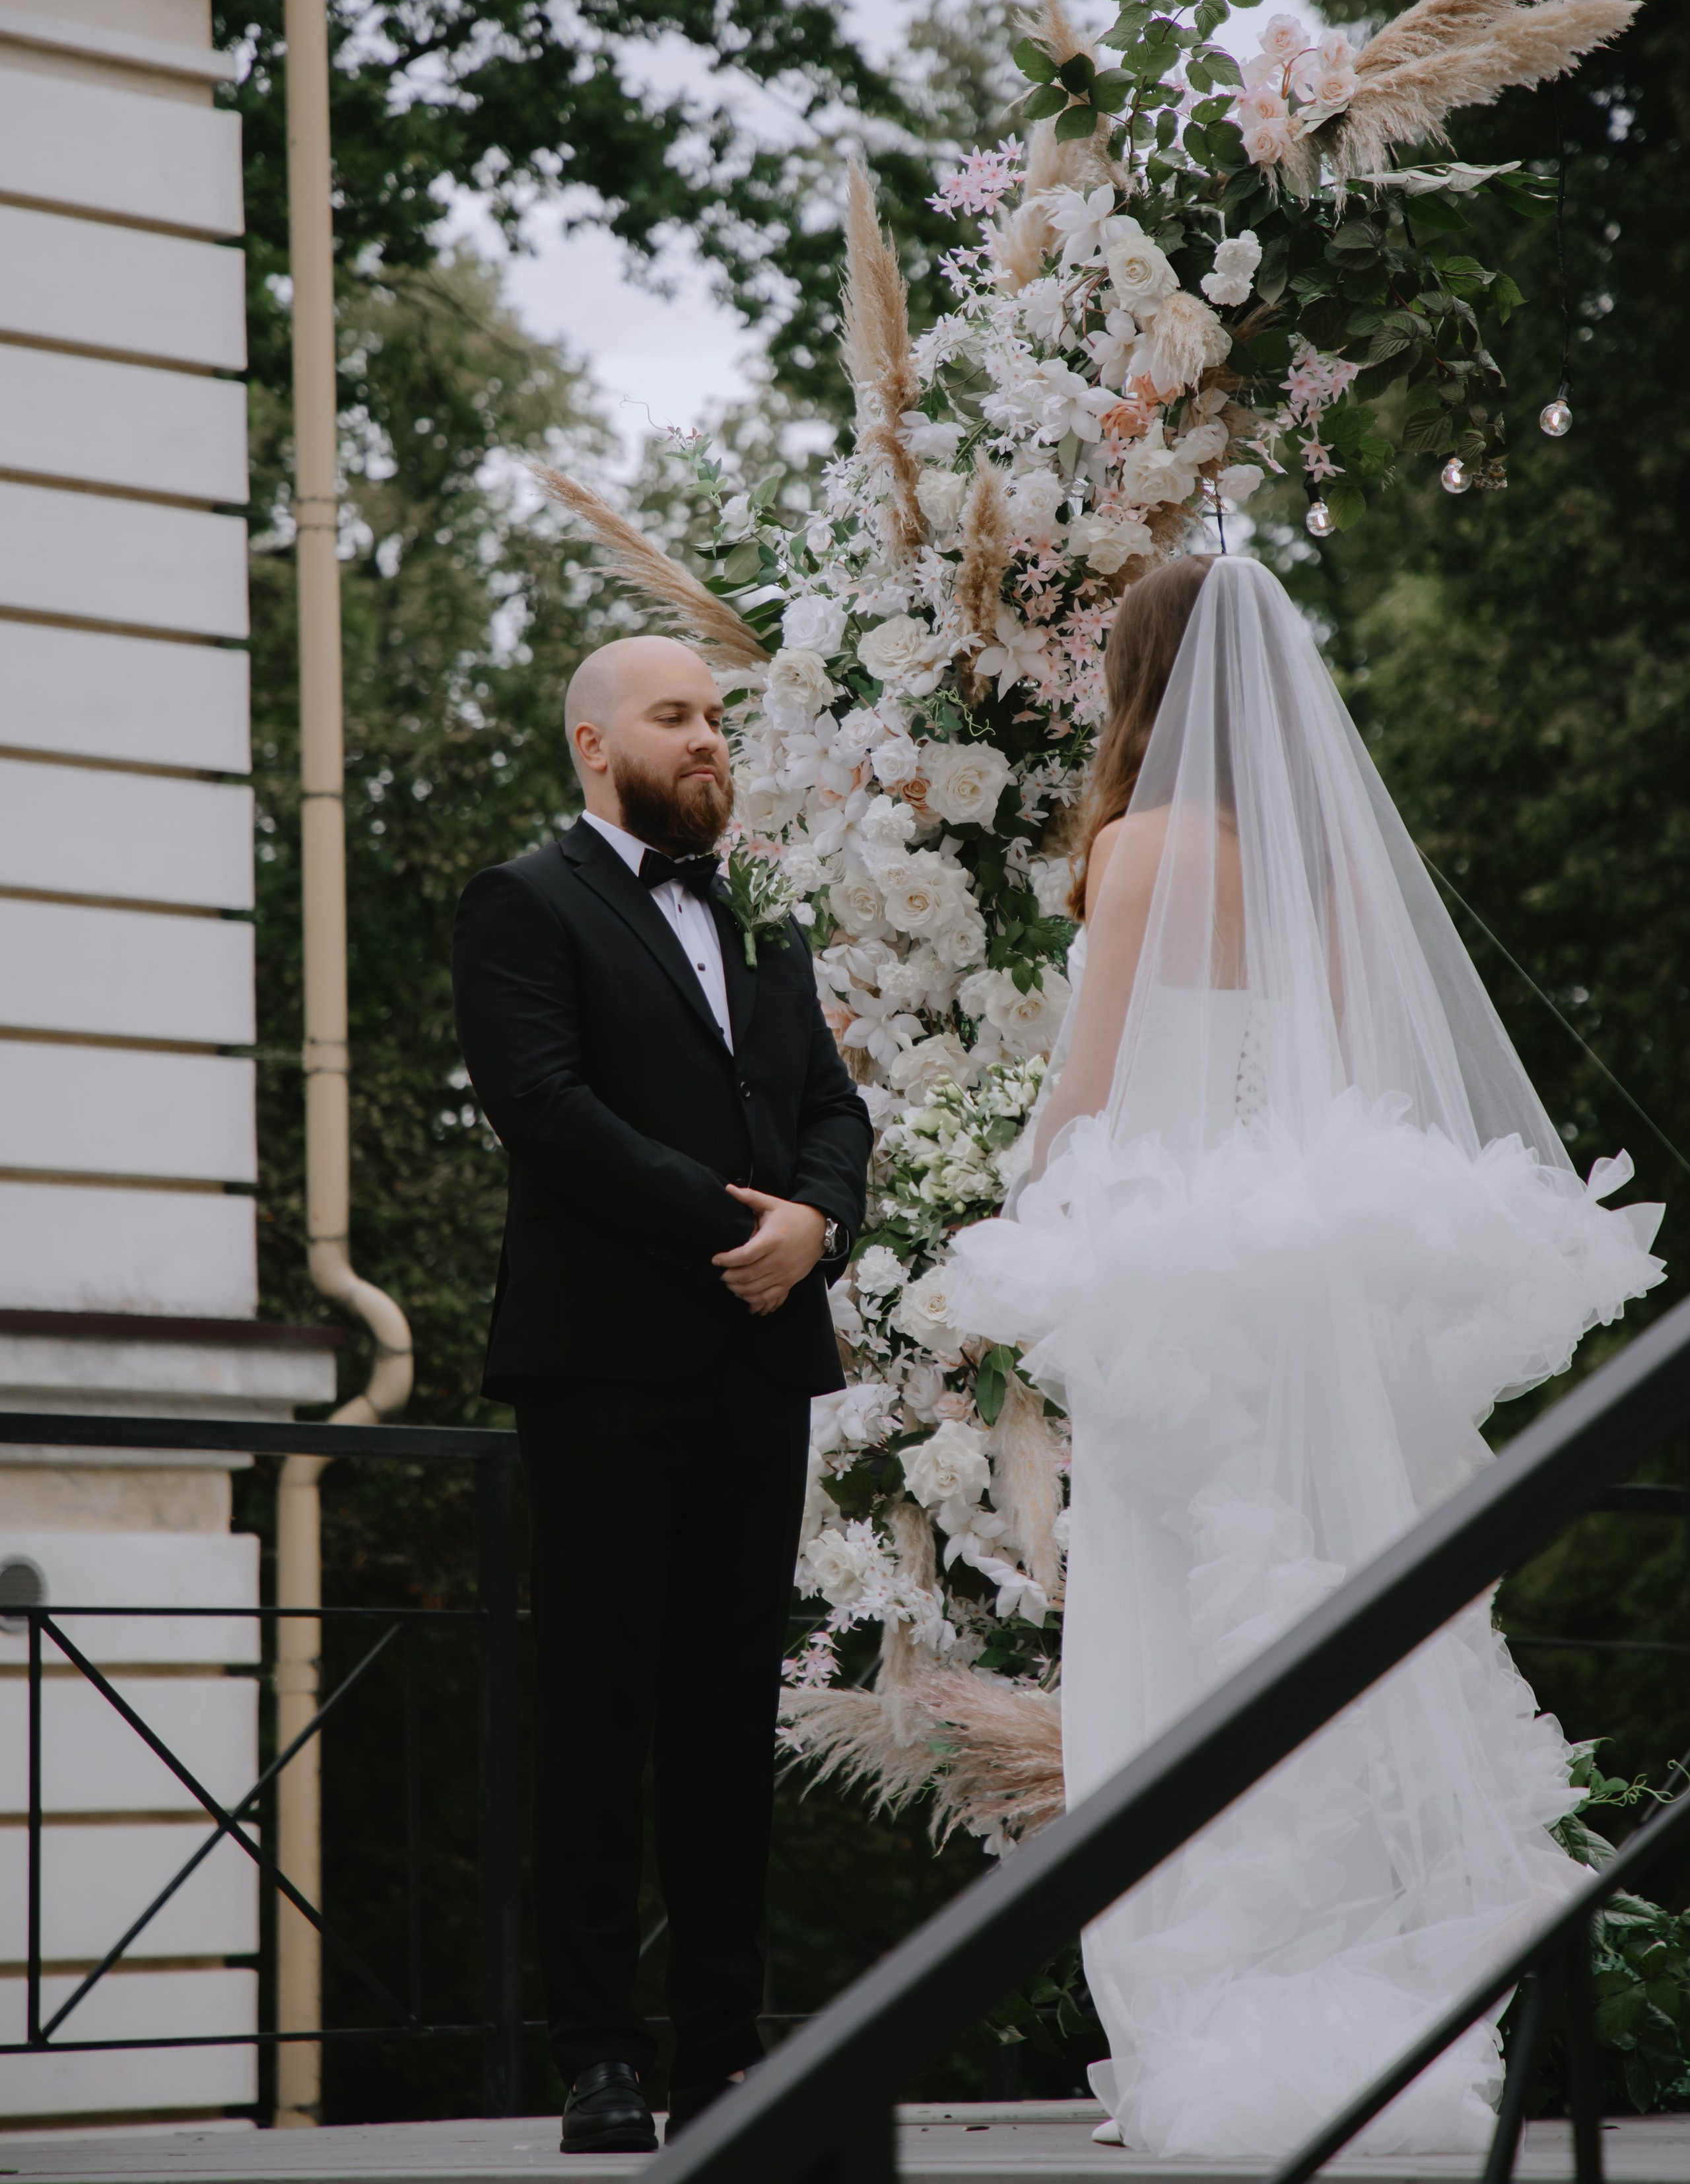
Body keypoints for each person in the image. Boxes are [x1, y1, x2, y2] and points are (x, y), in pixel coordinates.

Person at [947, 554, 1665, 2157]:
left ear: (1139, 684)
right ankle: (1361, 1995)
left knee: (1165, 1636)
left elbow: (1091, 1087)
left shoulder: (1136, 848)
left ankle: (1195, 2019)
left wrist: (997, 1239)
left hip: (1174, 1289)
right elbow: (1339, 1076)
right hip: (1305, 1285)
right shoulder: (1320, 872)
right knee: (1323, 1624)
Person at [452, 634, 871, 2155]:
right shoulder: (523, 901)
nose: (706, 739)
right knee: (598, 1710)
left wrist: (814, 1226)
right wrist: (735, 1225)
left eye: (714, 717)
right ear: (591, 743)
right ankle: (598, 2060)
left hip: (756, 1366)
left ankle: (723, 2050)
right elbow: (545, 1112)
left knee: (720, 1715)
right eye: (673, 716)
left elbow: (830, 1105)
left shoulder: (759, 909)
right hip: (606, 1367)